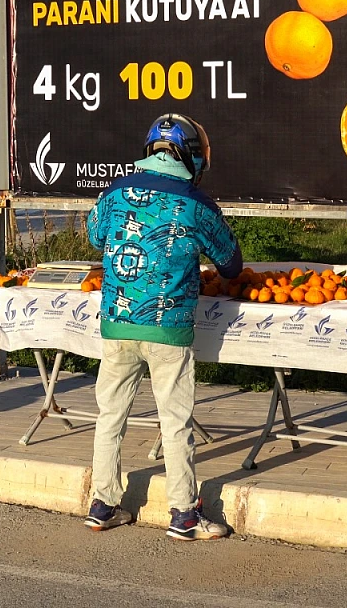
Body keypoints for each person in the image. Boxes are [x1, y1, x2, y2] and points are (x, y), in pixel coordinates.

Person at [83, 113, 243, 541]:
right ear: (192, 157)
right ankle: (184, 515)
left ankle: (102, 505)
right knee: (174, 421)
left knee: (109, 416)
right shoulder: (197, 203)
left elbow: (95, 236)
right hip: (168, 329)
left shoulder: (115, 191)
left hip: (116, 323)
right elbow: (231, 264)